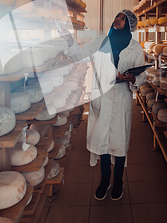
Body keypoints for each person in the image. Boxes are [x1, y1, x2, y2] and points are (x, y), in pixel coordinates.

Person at [60, 10, 146, 201]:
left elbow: (142, 75)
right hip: (102, 97)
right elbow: (80, 55)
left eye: (123, 18)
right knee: (102, 143)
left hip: (122, 98)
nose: (117, 19)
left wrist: (134, 78)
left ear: (130, 24)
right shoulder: (100, 41)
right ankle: (104, 181)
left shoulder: (135, 47)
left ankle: (118, 182)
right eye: (117, 16)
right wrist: (69, 42)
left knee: (120, 142)